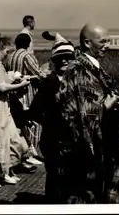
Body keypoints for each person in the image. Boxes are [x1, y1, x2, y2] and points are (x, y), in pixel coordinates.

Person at [53, 23, 119, 204]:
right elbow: (79, 115)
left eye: (108, 41)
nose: (107, 45)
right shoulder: (79, 69)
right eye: (102, 41)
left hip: (99, 153)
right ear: (87, 43)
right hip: (88, 158)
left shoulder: (89, 67)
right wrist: (106, 106)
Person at [29, 32, 76, 203]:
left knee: (69, 178)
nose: (64, 61)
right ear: (54, 61)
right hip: (53, 139)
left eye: (68, 57)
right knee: (55, 177)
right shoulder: (49, 82)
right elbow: (34, 111)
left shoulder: (76, 80)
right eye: (60, 58)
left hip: (72, 138)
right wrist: (52, 121)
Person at [0, 37, 33, 185]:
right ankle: (1, 172)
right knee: (3, 140)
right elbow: (2, 87)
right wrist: (22, 84)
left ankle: (5, 170)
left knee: (9, 139)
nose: (8, 55)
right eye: (6, 51)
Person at [6, 33, 47, 162]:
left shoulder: (11, 56)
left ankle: (24, 152)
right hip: (27, 91)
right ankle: (31, 151)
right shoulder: (27, 56)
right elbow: (38, 73)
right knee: (32, 121)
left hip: (13, 92)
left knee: (19, 123)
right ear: (28, 44)